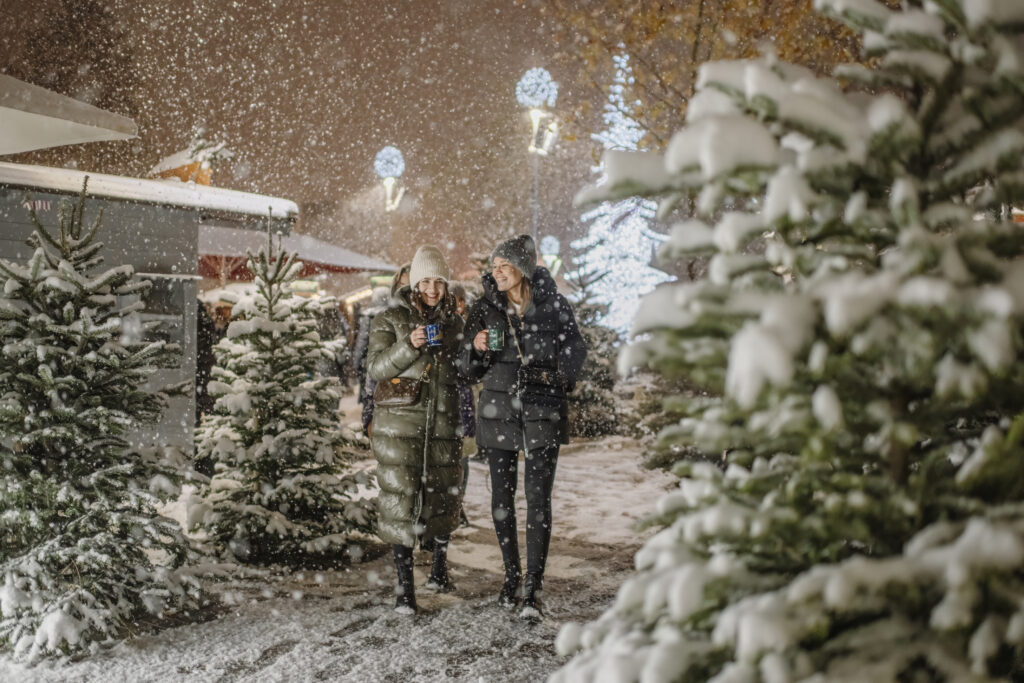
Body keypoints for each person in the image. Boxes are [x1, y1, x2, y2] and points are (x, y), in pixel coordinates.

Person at [457, 234, 586, 619]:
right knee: (501, 501)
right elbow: (465, 370)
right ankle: (511, 575)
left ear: (523, 269)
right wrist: (475, 348)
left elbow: (575, 348)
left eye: (503, 267)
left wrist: (556, 379)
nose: (495, 273)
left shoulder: (553, 305)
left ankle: (533, 582)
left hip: (542, 411)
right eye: (493, 267)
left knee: (538, 501)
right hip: (497, 412)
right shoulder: (483, 309)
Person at [367, 246, 464, 615]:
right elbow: (376, 368)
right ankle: (405, 591)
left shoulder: (456, 322)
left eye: (439, 281)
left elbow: (465, 370)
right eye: (426, 281)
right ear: (413, 281)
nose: (433, 289)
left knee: (442, 497)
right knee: (402, 503)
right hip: (400, 426)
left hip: (441, 424)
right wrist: (410, 344)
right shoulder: (389, 319)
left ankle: (439, 568)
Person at [360, 264, 411, 437]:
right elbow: (373, 370)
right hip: (388, 402)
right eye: (402, 286)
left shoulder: (433, 322)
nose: (406, 292)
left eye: (412, 286)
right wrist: (369, 415)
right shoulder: (385, 320)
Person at [450, 283, 476, 527]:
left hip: (465, 403)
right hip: (451, 403)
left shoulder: (470, 327)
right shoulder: (444, 327)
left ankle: (458, 506)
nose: (458, 305)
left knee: (463, 461)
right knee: (452, 463)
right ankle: (453, 508)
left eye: (460, 300)